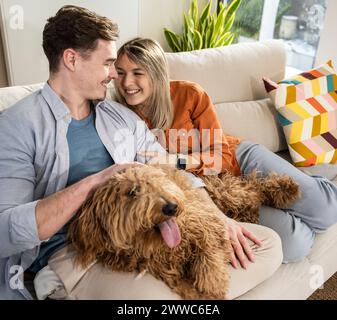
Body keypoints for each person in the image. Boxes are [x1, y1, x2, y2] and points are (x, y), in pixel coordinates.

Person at [0, 6, 281, 301]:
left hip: (141, 234)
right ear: (71, 59)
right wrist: (96, 182)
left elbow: (170, 170)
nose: (114, 76)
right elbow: (5, 231)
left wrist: (219, 217)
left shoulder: (120, 117)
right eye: (108, 63)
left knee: (268, 245)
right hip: (78, 251)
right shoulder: (17, 126)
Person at [114, 37, 337, 265]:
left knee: (328, 209)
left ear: (156, 73)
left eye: (137, 73)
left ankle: (318, 187)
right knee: (294, 245)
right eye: (120, 72)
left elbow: (222, 156)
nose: (126, 82)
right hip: (217, 192)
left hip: (240, 159)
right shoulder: (121, 117)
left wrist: (177, 161)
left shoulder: (189, 93)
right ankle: (275, 201)